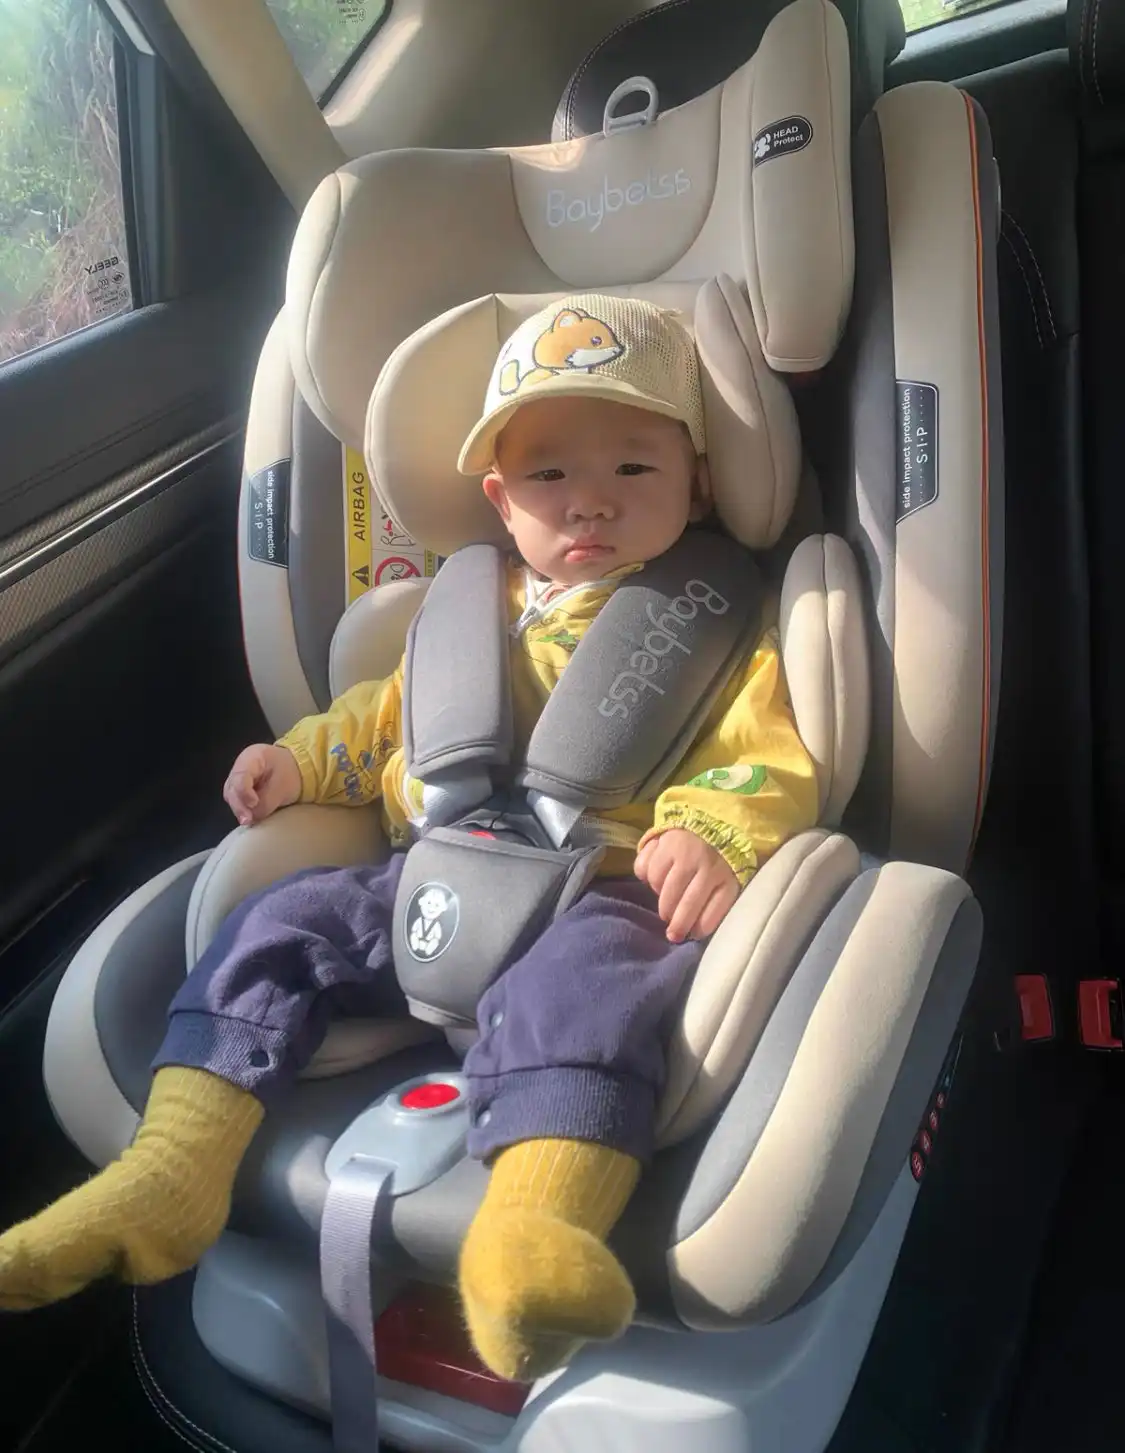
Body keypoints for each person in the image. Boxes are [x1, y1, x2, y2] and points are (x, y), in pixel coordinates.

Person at [0, 294, 818, 1382]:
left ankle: (532, 1231)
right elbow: (384, 720)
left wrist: (710, 832)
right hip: (431, 872)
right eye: (548, 476)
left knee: (592, 991)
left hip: (604, 884)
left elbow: (766, 754)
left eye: (634, 468)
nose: (591, 501)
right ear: (499, 501)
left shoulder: (712, 618)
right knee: (282, 922)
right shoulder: (465, 607)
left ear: (699, 484)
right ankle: (170, 1171)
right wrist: (300, 761)